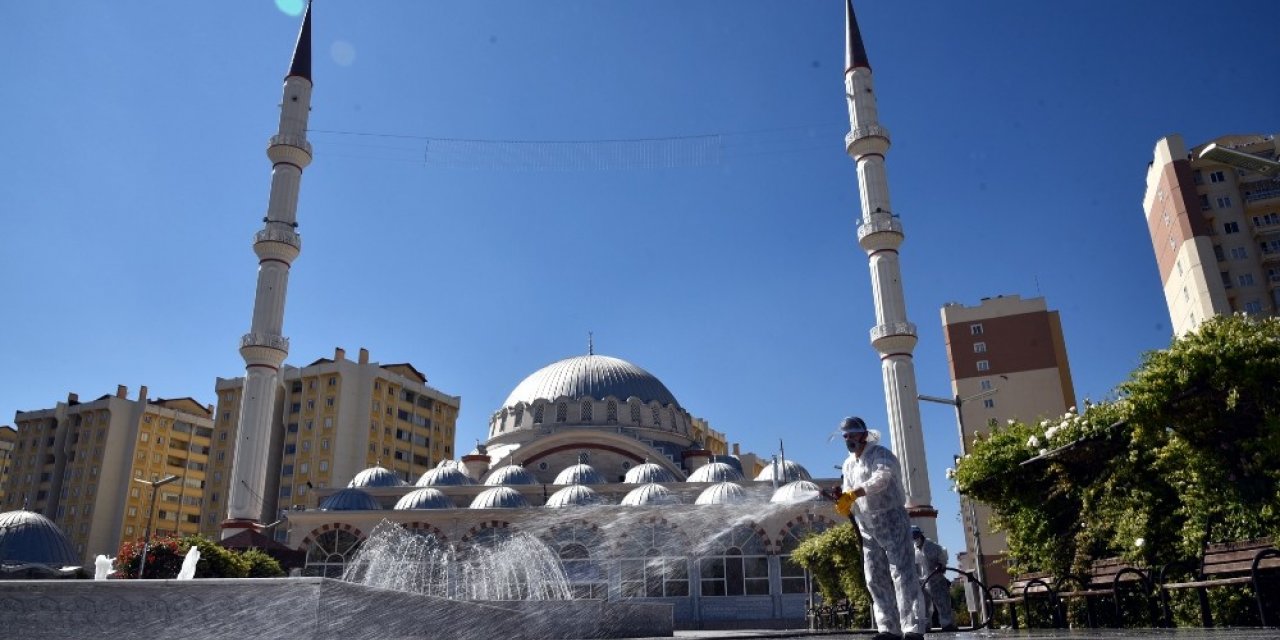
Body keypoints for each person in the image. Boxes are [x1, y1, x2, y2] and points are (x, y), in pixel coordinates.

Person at [836, 416, 926, 640]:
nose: (849, 439)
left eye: (853, 435)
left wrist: (854, 493)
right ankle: (888, 628)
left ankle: (912, 628)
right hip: (867, 524)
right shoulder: (848, 464)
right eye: (846, 436)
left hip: (891, 519)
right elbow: (848, 489)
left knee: (902, 572)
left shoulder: (881, 454)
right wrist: (845, 502)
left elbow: (882, 479)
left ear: (864, 435)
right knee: (874, 576)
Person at [912, 526, 958, 632]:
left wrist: (940, 565)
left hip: (936, 581)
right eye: (912, 537)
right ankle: (925, 625)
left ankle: (947, 624)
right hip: (922, 583)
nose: (915, 538)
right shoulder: (913, 550)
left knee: (943, 603)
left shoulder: (933, 547)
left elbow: (942, 560)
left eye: (915, 536)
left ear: (920, 534)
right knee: (923, 605)